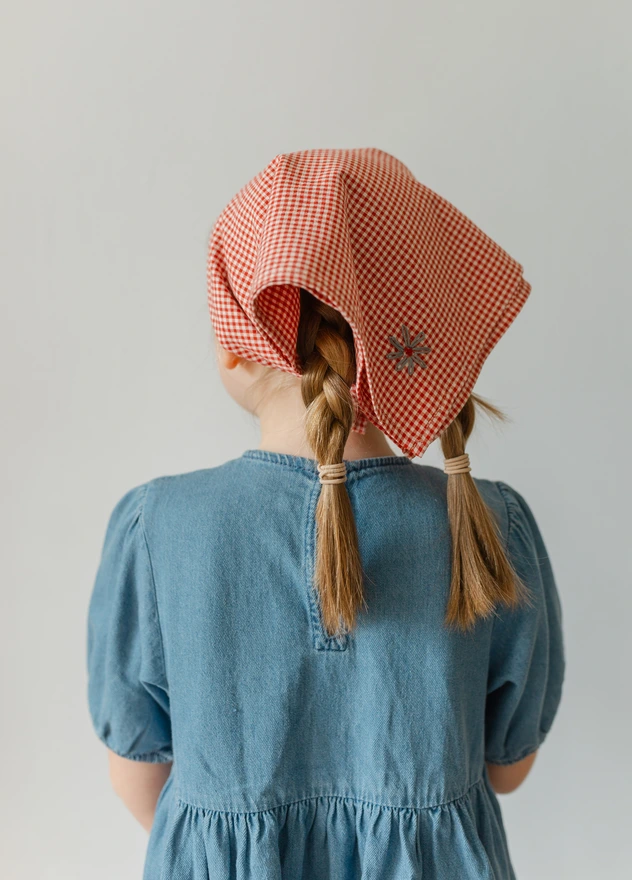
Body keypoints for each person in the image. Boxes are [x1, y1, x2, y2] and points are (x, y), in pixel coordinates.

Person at [86, 148, 566, 880]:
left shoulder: (158, 527)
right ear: (423, 343)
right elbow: (508, 769)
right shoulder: (489, 522)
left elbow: (138, 778)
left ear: (235, 350)